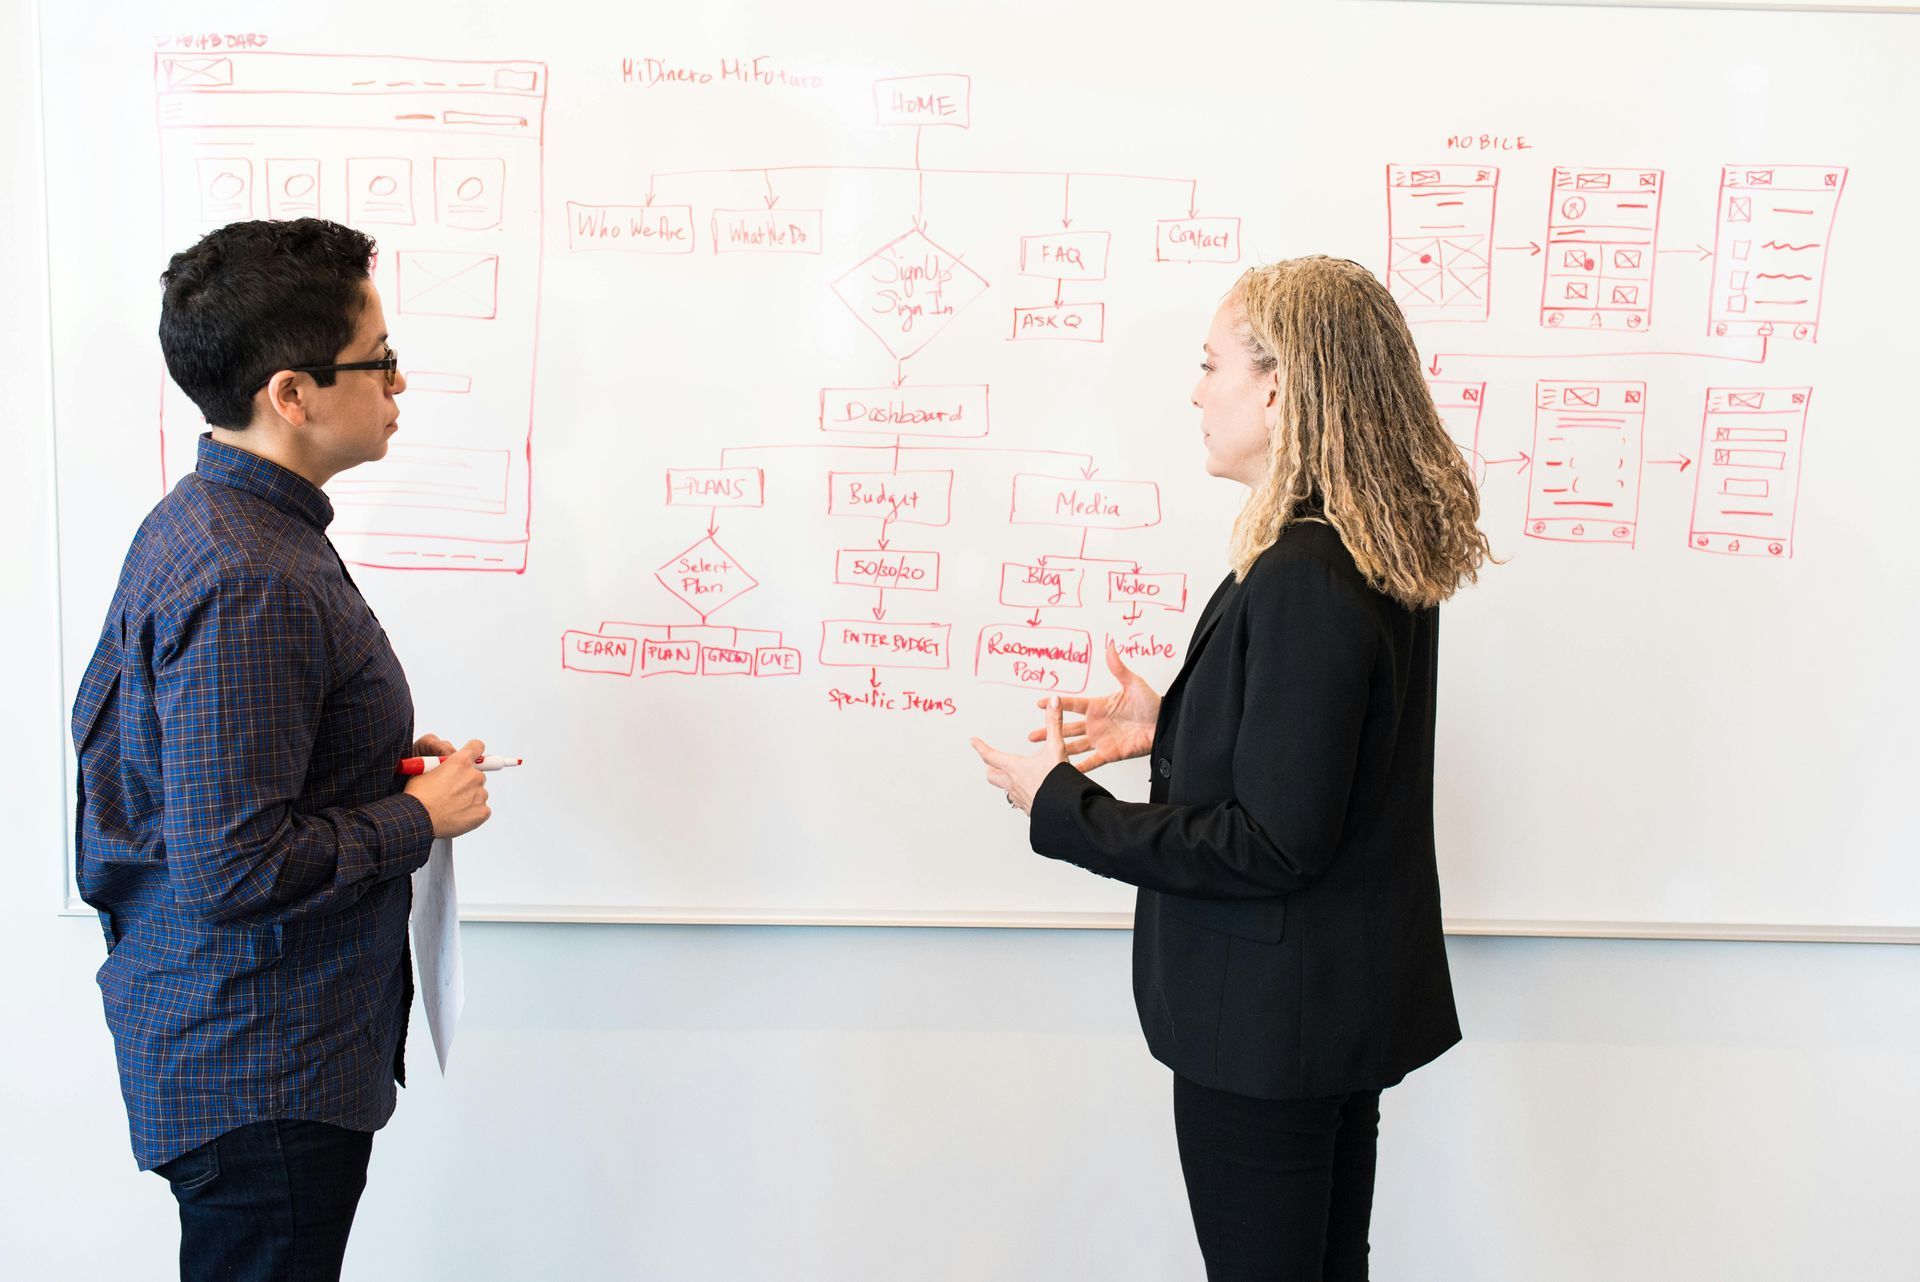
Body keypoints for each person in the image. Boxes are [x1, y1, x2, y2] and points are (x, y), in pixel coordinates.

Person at [971, 256, 1490, 1280]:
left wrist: (1064, 805)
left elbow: (1272, 840)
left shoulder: (1303, 571)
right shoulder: (1368, 551)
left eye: (1212, 365)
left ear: (1279, 387)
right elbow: (1328, 762)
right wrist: (1172, 724)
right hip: (1326, 1021)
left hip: (1269, 1038)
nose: (1197, 391)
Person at [71, 218, 494, 1282]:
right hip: (259, 1070)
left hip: (249, 1051)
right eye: (380, 361)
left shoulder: (230, 527)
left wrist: (373, 773)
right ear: (293, 394)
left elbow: (223, 791)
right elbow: (236, 863)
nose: (400, 383)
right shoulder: (248, 575)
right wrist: (419, 819)